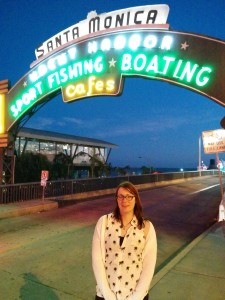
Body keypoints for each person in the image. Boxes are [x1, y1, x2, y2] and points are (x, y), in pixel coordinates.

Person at [92, 181, 157, 300]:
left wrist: (136, 296)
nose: (124, 200)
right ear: (116, 199)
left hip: (136, 296)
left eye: (129, 196)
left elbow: (149, 265)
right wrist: (108, 295)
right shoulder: (104, 222)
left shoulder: (146, 227)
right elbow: (97, 260)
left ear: (136, 199)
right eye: (120, 196)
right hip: (105, 295)